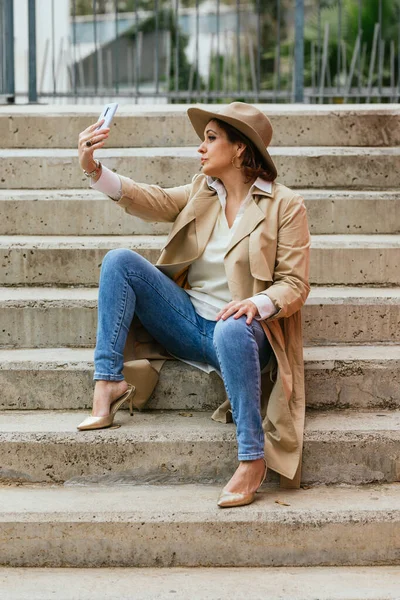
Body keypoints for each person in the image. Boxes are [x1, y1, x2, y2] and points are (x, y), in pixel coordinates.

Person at [76, 102, 311, 508]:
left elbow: (294, 283)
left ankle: (252, 459)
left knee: (232, 326)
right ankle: (107, 380)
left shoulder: (284, 205)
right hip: (187, 323)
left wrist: (257, 303)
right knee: (120, 262)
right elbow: (153, 200)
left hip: (242, 334)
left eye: (211, 138)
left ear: (240, 149)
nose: (201, 148)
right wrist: (94, 169)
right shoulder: (203, 191)